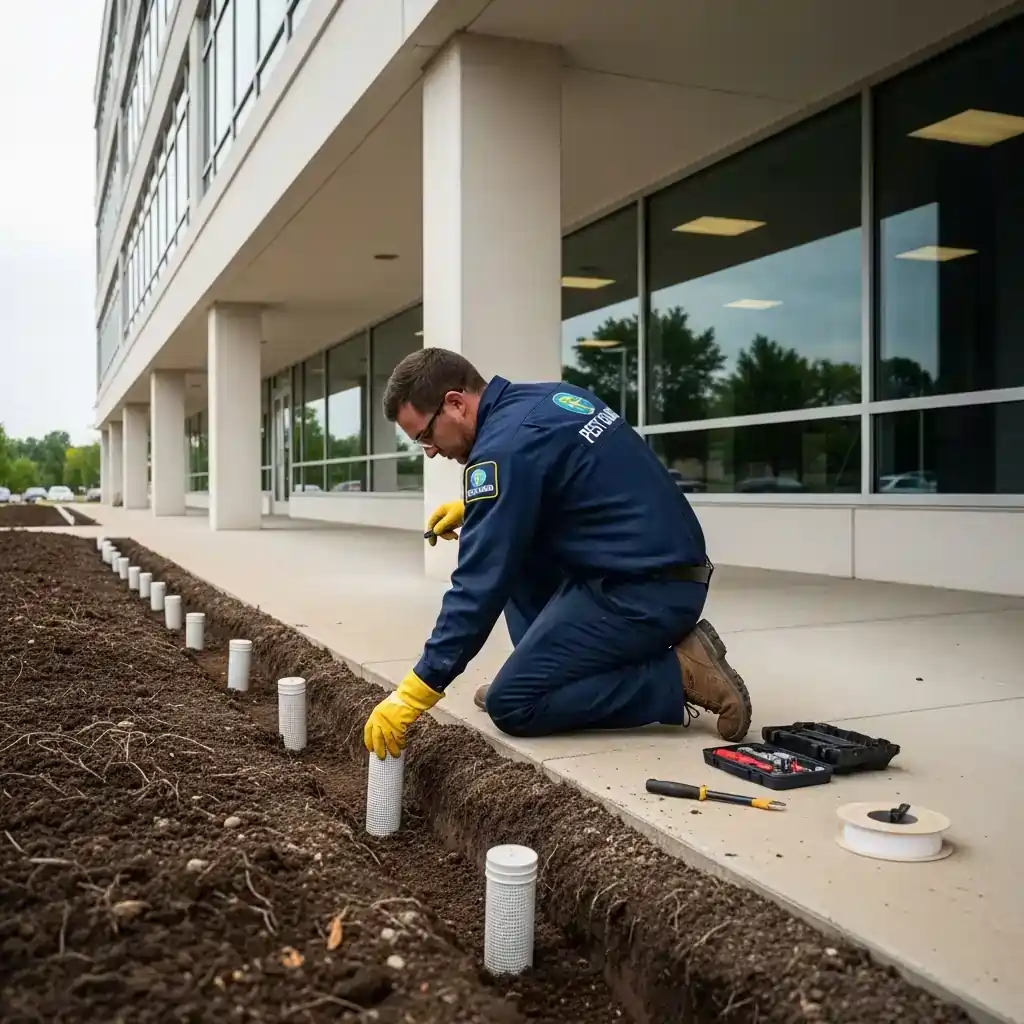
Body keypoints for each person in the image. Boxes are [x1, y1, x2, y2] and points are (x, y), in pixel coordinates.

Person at [363, 348, 751, 760]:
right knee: (514, 552)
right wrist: (483, 510)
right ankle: (542, 676)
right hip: (656, 567)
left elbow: (477, 589)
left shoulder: (503, 450)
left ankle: (679, 675)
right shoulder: (548, 398)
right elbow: (568, 483)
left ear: (456, 403)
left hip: (645, 593)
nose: (430, 451)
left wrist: (413, 693)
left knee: (512, 705)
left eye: (424, 436)